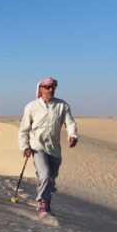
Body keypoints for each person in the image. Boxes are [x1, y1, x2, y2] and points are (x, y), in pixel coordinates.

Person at [18, 77, 77, 217]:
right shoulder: (31, 106)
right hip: (37, 146)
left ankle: (46, 201)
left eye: (53, 87)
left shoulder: (62, 105)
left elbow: (70, 123)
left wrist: (73, 135)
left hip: (54, 148)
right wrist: (24, 146)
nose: (50, 90)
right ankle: (42, 203)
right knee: (45, 174)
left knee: (48, 178)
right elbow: (24, 129)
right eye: (47, 87)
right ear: (40, 89)